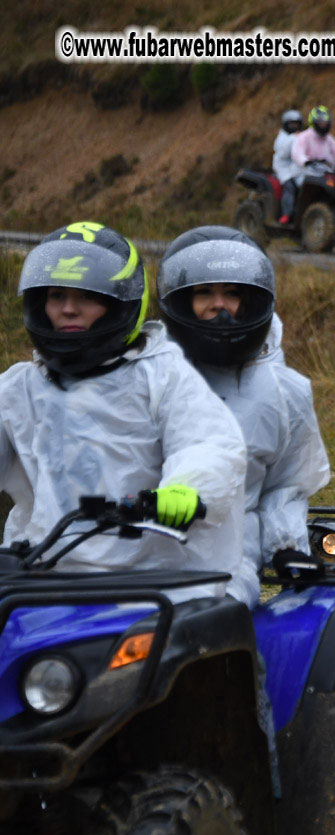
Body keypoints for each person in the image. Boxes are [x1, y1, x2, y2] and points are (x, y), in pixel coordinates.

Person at [0, 222, 256, 605]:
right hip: (42, 572)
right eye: (56, 295)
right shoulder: (20, 387)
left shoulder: (161, 375)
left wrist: (186, 490)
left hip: (158, 579)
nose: (68, 308)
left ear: (120, 302)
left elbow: (210, 445)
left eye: (86, 296)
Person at [157, 226, 330, 572]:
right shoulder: (152, 376)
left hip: (230, 566)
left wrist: (287, 546)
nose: (219, 305)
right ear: (181, 300)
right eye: (204, 292)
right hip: (140, 560)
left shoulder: (284, 391)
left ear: (249, 301)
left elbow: (287, 485)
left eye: (231, 294)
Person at [290, 105, 335, 197]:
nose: (324, 125)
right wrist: (306, 162)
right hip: (305, 174)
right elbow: (297, 153)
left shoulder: (328, 138)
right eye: (321, 123)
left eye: (326, 123)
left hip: (324, 173)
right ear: (314, 122)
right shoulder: (304, 136)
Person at [273, 108, 304, 226]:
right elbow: (283, 153)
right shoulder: (282, 138)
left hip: (297, 168)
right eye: (292, 124)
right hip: (283, 168)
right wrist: (294, 138)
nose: (294, 127)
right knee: (289, 187)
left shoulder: (300, 137)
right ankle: (286, 214)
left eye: (297, 124)